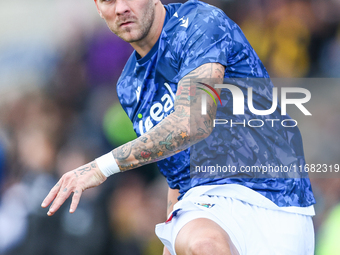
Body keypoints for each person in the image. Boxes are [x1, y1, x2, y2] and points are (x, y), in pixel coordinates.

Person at [42, 0, 316, 254]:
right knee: (204, 245)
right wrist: (171, 245)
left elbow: (194, 121)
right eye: (108, 0)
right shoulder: (129, 87)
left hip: (279, 197)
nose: (121, 8)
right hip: (205, 203)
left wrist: (102, 167)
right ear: (98, 8)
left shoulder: (200, 23)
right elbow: (177, 174)